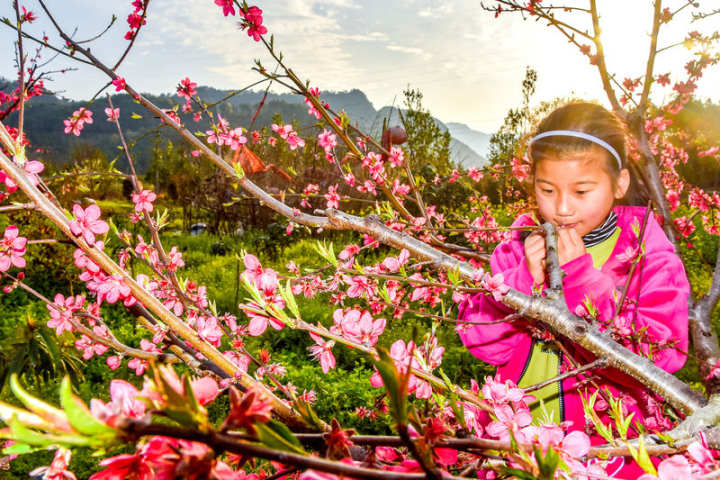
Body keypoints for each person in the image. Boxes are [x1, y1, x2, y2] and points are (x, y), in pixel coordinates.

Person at [457, 102, 689, 467]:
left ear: (620, 183)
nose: (562, 208)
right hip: (517, 444)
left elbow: (661, 357)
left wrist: (580, 279)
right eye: (547, 190)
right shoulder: (517, 250)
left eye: (582, 192)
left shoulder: (650, 260)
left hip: (609, 452)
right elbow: (479, 342)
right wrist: (518, 285)